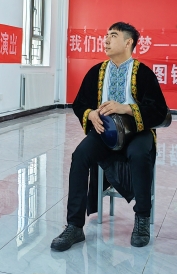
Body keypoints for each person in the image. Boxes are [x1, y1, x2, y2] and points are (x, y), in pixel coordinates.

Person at [51, 22, 169, 251]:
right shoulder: (97, 72)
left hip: (138, 132)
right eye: (106, 36)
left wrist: (126, 109)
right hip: (105, 133)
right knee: (80, 155)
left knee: (139, 154)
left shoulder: (143, 73)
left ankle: (142, 219)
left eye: (113, 36)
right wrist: (91, 113)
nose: (106, 40)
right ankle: (74, 226)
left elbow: (159, 111)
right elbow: (79, 104)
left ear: (128, 42)